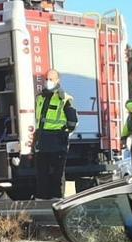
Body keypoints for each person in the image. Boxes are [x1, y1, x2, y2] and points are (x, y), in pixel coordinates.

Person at [33, 69, 79, 200]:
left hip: (57, 139)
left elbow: (73, 121)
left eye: (51, 79)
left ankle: (56, 199)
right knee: (41, 172)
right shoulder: (40, 97)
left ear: (58, 80)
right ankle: (42, 199)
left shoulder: (64, 98)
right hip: (42, 139)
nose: (48, 81)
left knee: (57, 173)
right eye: (46, 79)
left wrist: (64, 133)